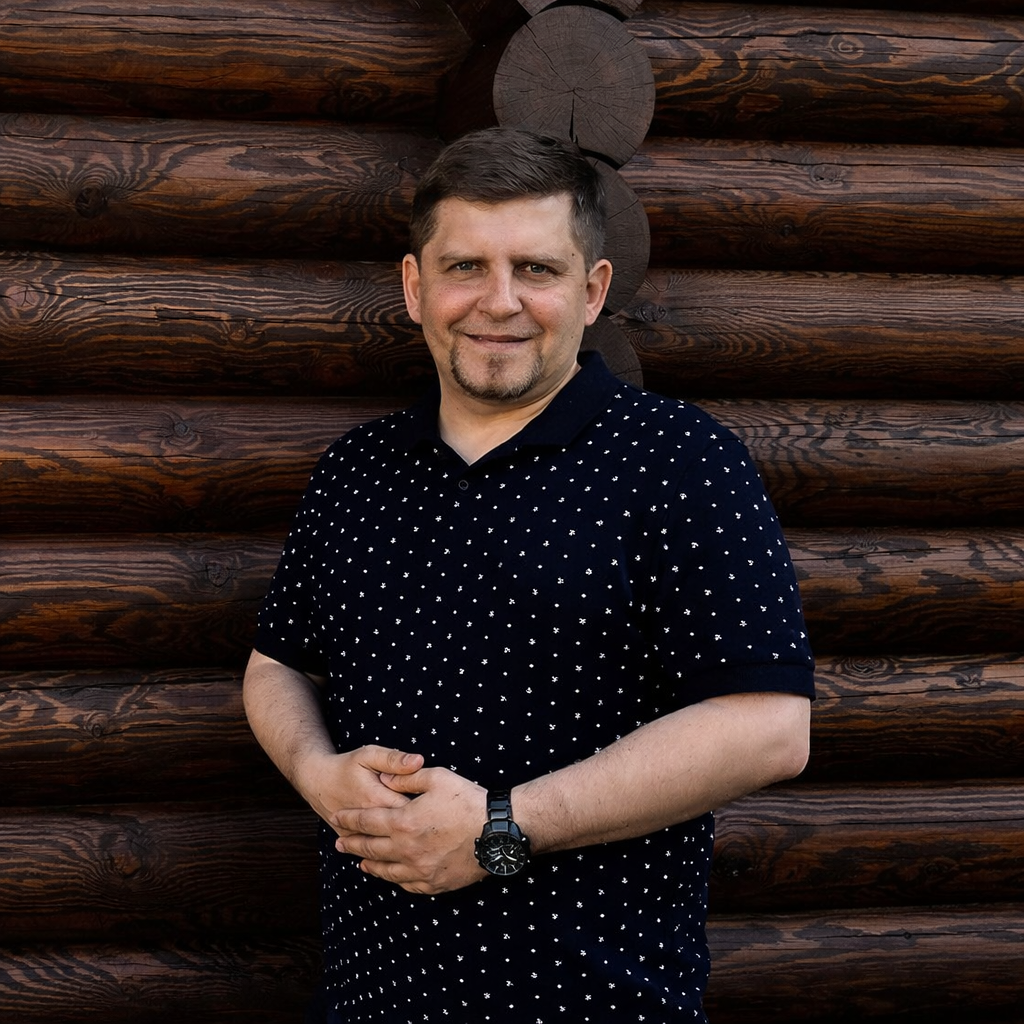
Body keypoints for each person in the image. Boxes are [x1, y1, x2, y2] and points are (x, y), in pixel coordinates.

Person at [243, 127, 814, 1023]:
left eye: (536, 270)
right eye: (465, 266)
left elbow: (769, 727)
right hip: (366, 999)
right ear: (414, 286)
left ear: (592, 291)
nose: (499, 301)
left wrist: (501, 827)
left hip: (595, 1002)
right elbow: (278, 665)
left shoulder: (678, 460)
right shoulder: (355, 472)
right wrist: (317, 771)